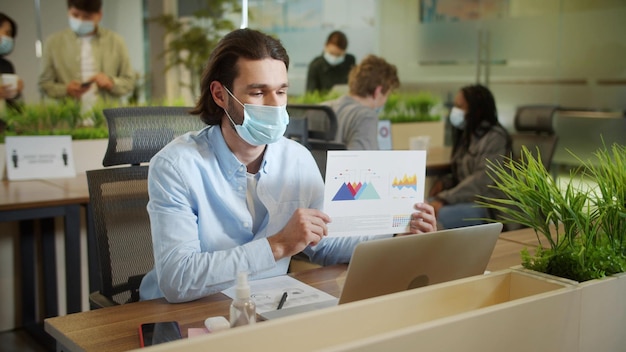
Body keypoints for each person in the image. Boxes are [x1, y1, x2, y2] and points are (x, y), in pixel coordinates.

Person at [139, 28, 437, 303]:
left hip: (267, 306)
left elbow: (325, 243)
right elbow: (177, 279)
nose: (274, 105)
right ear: (220, 95)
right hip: (182, 316)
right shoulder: (176, 166)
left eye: (281, 91)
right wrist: (278, 245)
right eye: (258, 92)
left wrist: (396, 236)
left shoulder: (296, 158)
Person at [428, 84, 511, 229]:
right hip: (465, 199)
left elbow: (481, 181)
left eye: (460, 107)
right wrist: (445, 183)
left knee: (432, 219)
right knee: (419, 209)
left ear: (477, 110)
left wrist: (445, 199)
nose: (455, 111)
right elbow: (462, 173)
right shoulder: (468, 135)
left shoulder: (495, 138)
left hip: (490, 208)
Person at [38, 0, 135, 112]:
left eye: (87, 17)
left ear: (99, 15)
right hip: (68, 119)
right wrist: (65, 90)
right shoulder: (53, 43)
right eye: (75, 15)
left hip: (105, 119)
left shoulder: (116, 41)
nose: (80, 20)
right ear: (68, 12)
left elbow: (129, 82)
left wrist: (110, 82)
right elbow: (43, 84)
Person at [325, 55, 399, 150]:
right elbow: (363, 161)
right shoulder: (366, 116)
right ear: (378, 92)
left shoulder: (323, 108)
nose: (385, 101)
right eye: (387, 95)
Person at [0, 12, 24, 113]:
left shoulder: (6, 65)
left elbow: (16, 108)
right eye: (7, 33)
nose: (9, 39)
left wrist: (16, 94)